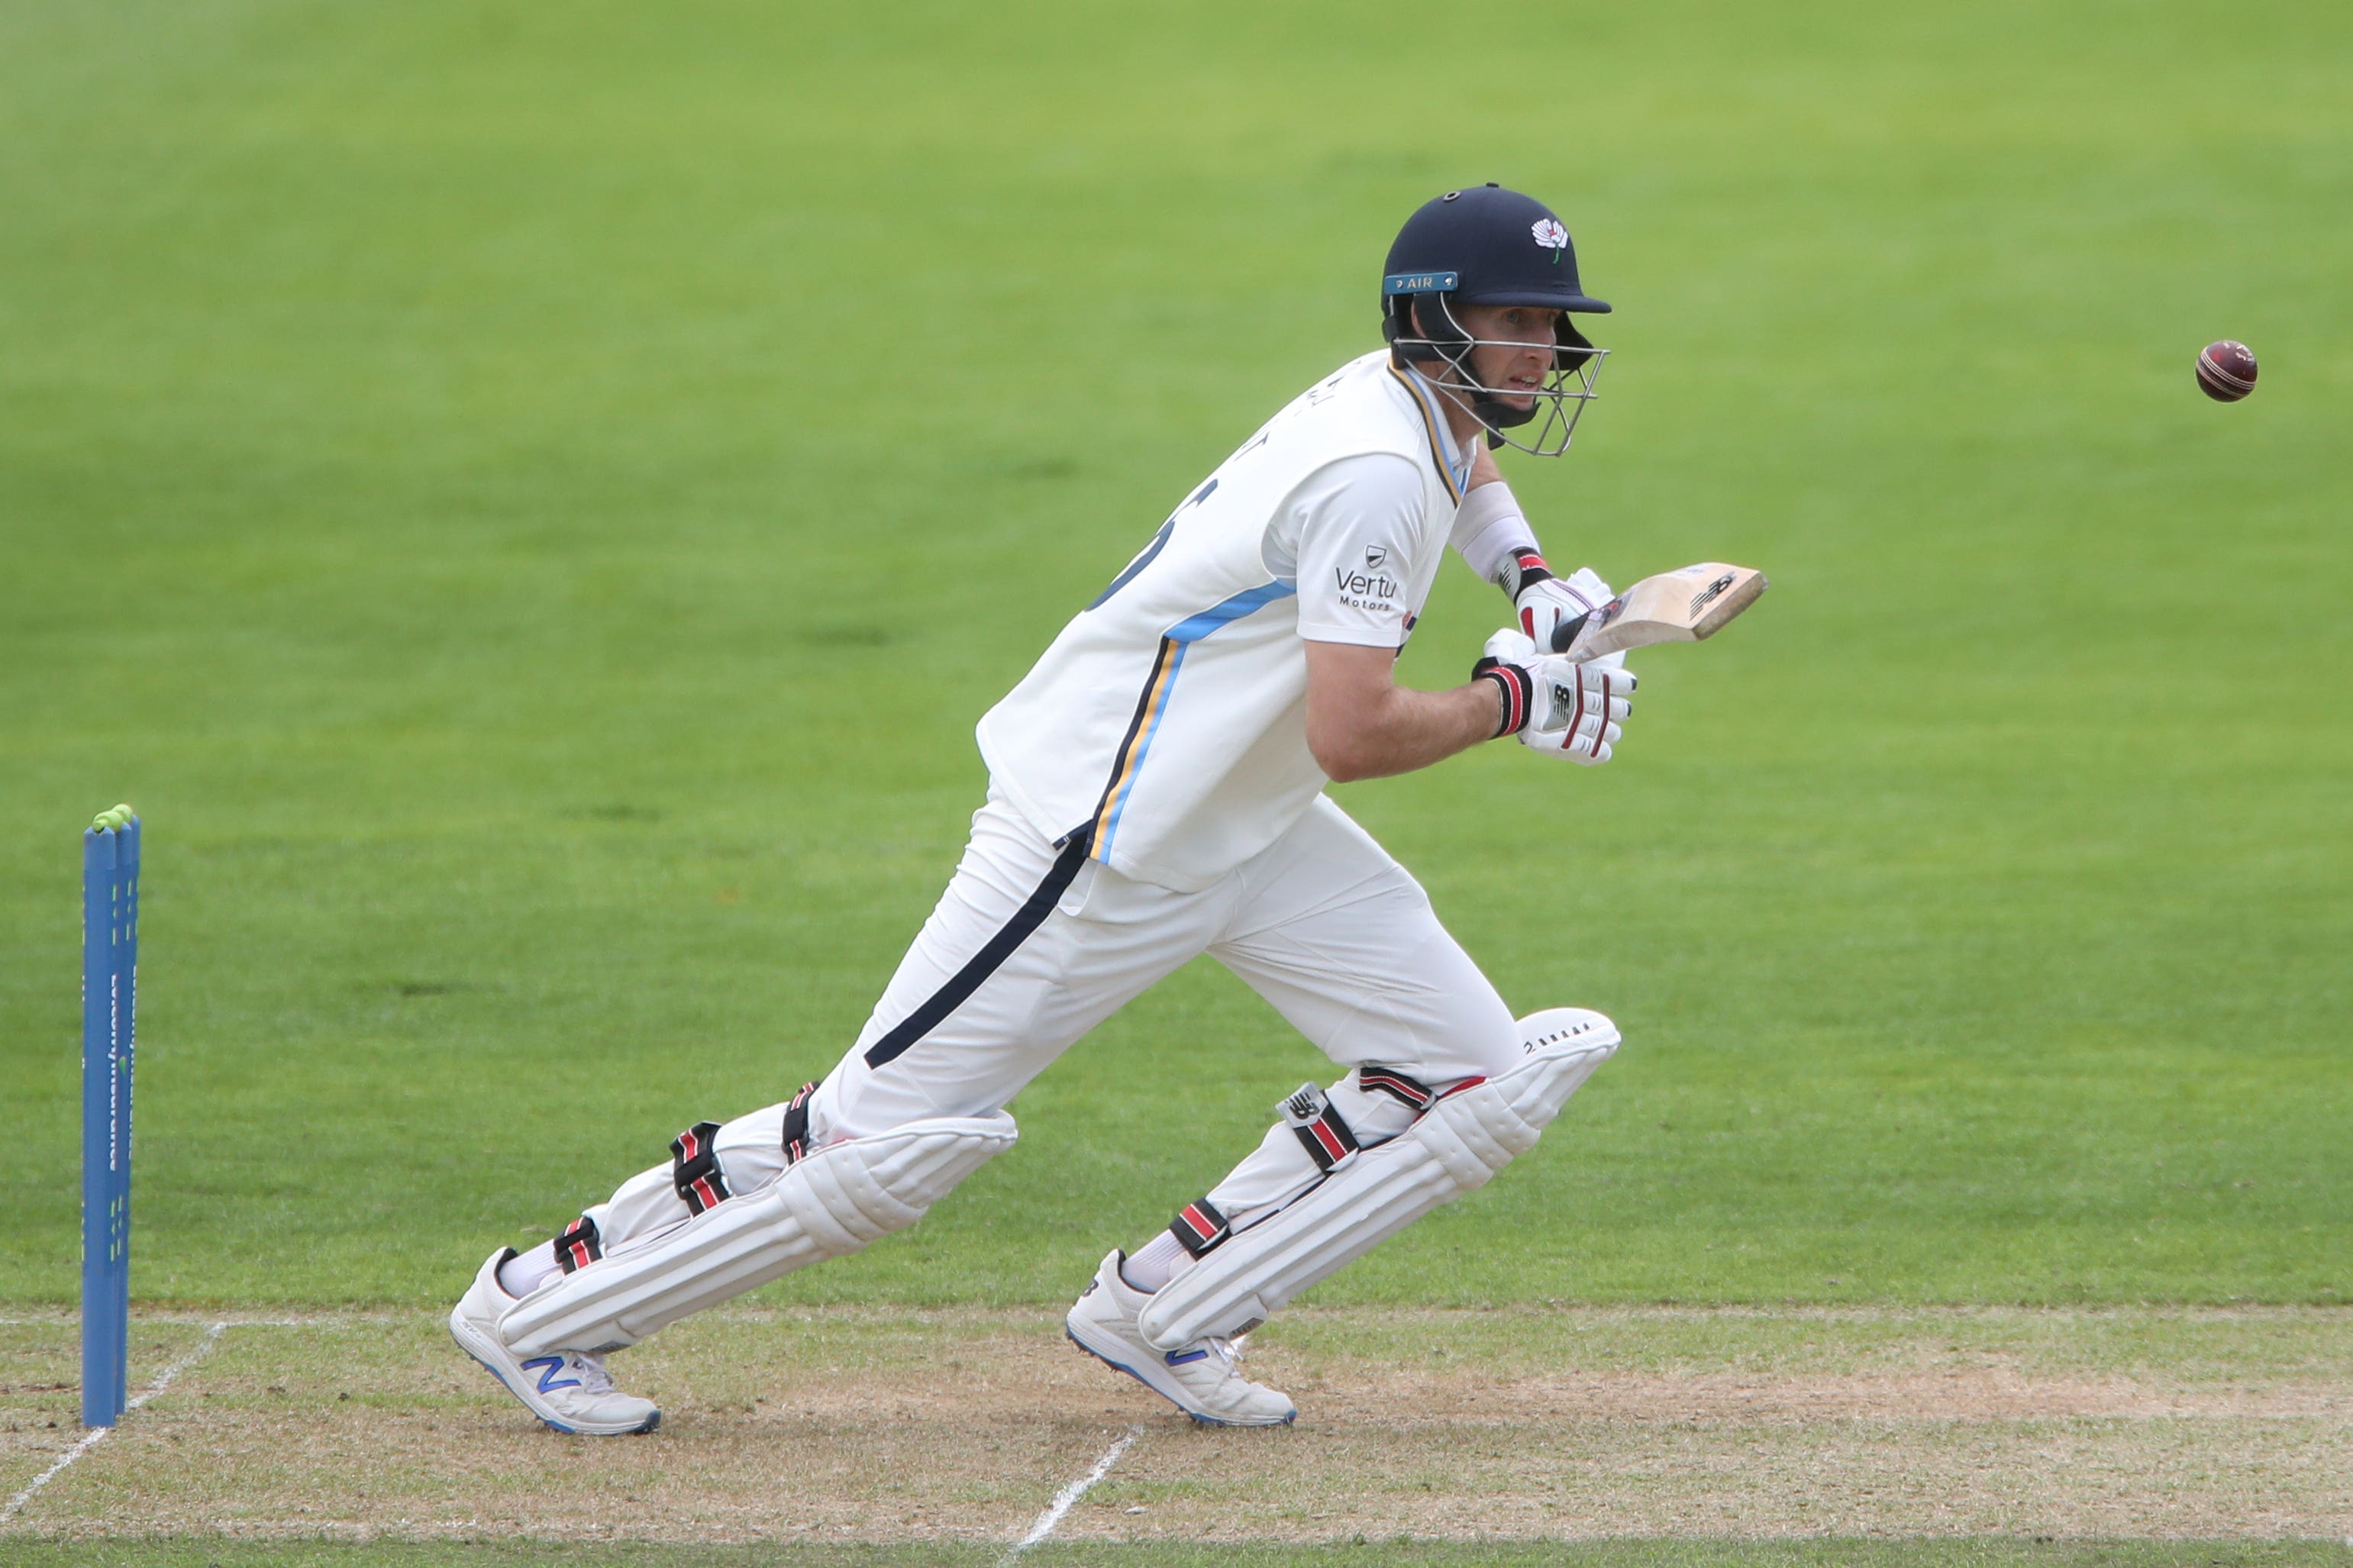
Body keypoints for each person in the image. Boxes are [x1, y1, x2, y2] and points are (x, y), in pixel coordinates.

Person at [450, 183, 1640, 1434]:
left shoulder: (1411, 403)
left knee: (1468, 1073)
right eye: (1515, 319)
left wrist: (1536, 584)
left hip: (1243, 823)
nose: (1543, 351)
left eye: (1552, 324)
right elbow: (1349, 733)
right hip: (1099, 836)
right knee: (874, 1149)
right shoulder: (1370, 476)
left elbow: (1469, 470)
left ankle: (1167, 1302)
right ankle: (539, 1301)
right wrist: (1515, 700)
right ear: (1431, 320)